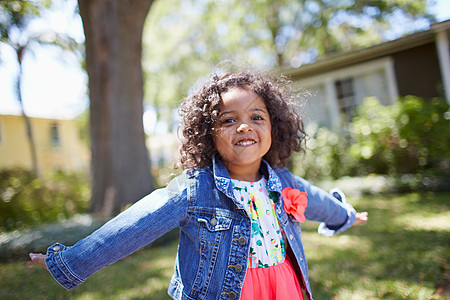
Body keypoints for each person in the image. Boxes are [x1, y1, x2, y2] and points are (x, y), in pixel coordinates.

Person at [30, 70, 368, 300]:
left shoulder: (284, 182)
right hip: (226, 291)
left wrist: (345, 215)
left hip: (284, 286)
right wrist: (70, 261)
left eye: (256, 117)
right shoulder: (194, 191)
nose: (244, 127)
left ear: (274, 127)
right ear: (208, 134)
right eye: (228, 120)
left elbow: (321, 202)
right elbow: (131, 227)